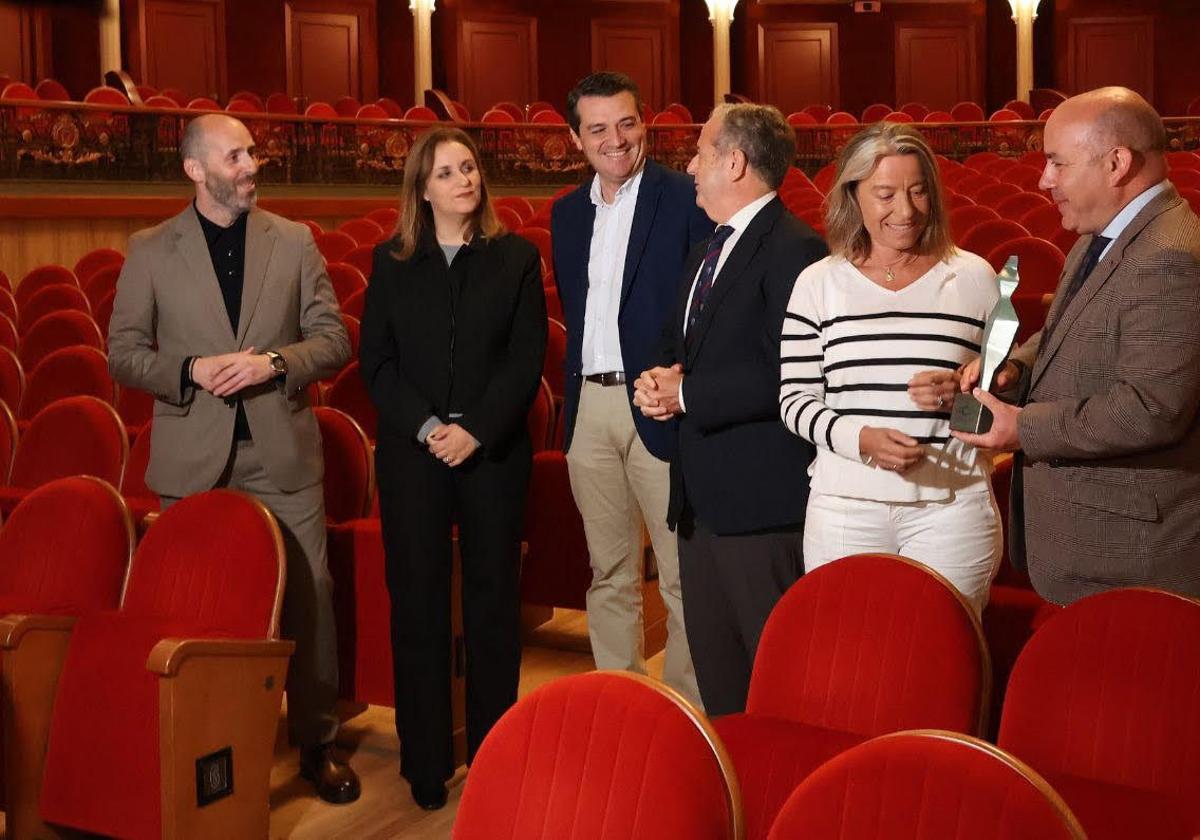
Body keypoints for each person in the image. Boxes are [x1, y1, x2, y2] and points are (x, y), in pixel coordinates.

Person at [107, 114, 358, 803]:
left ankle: (317, 741)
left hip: (281, 454)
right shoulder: (152, 249)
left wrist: (274, 363)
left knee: (311, 598)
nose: (253, 164)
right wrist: (191, 370)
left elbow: (332, 339)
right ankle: (203, 748)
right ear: (196, 169)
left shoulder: (295, 240)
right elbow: (124, 353)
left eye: (253, 152)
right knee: (197, 609)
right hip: (194, 457)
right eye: (237, 154)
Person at [359, 127, 546, 810]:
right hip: (415, 456)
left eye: (469, 167)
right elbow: (376, 363)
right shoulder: (392, 261)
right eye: (447, 172)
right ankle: (427, 765)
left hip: (493, 456)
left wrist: (475, 431)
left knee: (495, 608)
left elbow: (524, 363)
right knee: (418, 607)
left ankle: (496, 756)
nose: (464, 179)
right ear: (423, 188)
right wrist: (432, 427)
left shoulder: (516, 258)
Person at [955, 87, 1200, 605]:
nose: (1044, 179)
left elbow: (1150, 410)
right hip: (1096, 552)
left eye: (1056, 163)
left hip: (1131, 557)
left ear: (1116, 163)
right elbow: (1067, 328)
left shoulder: (1169, 258)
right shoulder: (1104, 232)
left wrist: (1020, 428)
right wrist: (1015, 369)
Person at [634, 104, 828, 716]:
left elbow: (788, 371)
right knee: (722, 689)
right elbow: (677, 343)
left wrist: (686, 395)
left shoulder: (795, 249)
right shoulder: (709, 247)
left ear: (735, 161)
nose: (689, 165)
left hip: (760, 514)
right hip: (700, 507)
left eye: (700, 151)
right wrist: (658, 381)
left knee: (773, 692)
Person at [778, 122, 1001, 615]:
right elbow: (794, 402)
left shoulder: (975, 278)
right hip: (844, 510)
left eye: (918, 192)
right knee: (851, 656)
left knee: (946, 656)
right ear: (852, 195)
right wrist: (860, 439)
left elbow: (1003, 401)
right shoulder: (817, 284)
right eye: (885, 194)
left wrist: (963, 397)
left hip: (952, 508)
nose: (905, 210)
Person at [552, 71, 711, 705]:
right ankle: (623, 704)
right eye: (598, 129)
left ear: (644, 122)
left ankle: (688, 713)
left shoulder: (684, 197)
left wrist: (681, 379)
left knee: (679, 576)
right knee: (608, 572)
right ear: (576, 138)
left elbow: (705, 303)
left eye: (626, 123)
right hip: (590, 408)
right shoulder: (566, 213)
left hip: (659, 402)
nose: (615, 139)